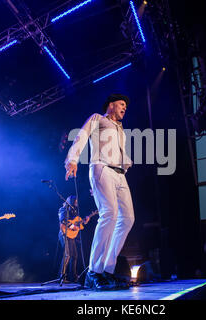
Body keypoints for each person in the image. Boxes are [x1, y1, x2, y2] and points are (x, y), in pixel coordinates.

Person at [64, 94, 135, 290]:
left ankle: (107, 270)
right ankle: (94, 271)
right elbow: (82, 136)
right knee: (109, 214)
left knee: (128, 218)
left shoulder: (120, 129)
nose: (125, 108)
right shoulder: (98, 118)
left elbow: (119, 151)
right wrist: (72, 159)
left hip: (120, 173)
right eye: (122, 104)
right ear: (111, 105)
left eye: (126, 106)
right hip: (101, 168)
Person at [58, 195, 90, 283]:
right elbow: (63, 220)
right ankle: (62, 276)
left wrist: (85, 222)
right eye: (75, 201)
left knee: (74, 255)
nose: (76, 202)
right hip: (64, 234)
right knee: (67, 255)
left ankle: (73, 277)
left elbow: (78, 226)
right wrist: (73, 226)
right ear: (71, 201)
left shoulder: (74, 212)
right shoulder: (63, 209)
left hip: (71, 236)